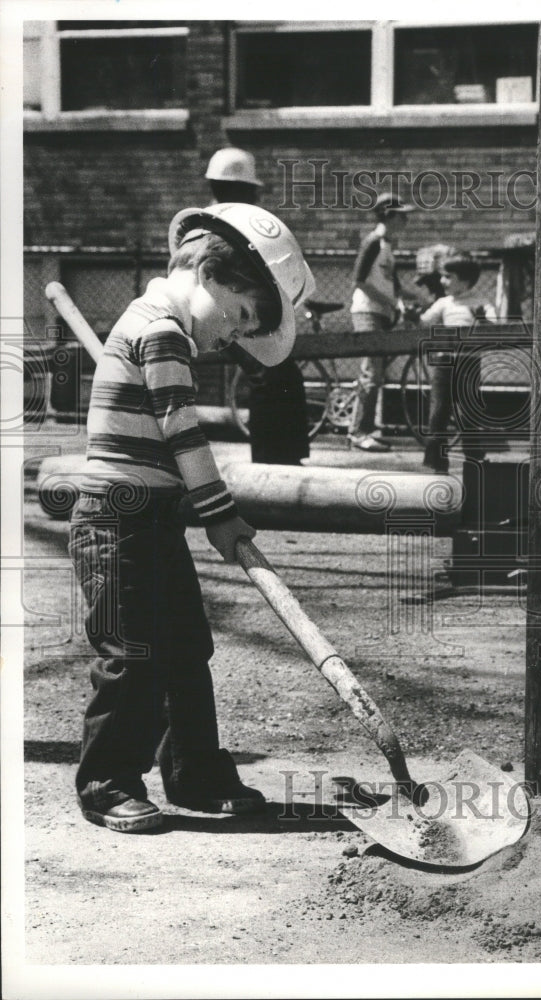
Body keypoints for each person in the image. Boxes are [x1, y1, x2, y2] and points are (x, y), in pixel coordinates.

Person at [68, 203, 315, 832]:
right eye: (235, 319)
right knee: (135, 651)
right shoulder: (161, 332)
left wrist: (189, 505)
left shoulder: (156, 328)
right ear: (206, 273)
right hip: (116, 522)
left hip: (150, 517)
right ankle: (106, 782)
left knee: (185, 648)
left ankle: (196, 773)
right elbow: (183, 434)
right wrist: (220, 515)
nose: (227, 339)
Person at [207, 147, 310, 465]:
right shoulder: (213, 224)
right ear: (238, 190)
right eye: (250, 191)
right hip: (223, 315)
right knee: (266, 375)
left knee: (285, 374)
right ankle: (269, 463)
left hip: (242, 313)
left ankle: (289, 457)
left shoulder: (233, 222)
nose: (254, 199)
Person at [418, 251, 497, 474]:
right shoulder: (443, 303)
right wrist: (414, 315)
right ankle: (437, 462)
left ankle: (473, 457)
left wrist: (482, 320)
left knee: (469, 412)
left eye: (448, 276)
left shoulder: (481, 303)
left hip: (469, 363)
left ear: (465, 280)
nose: (442, 281)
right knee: (438, 411)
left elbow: (493, 327)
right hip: (444, 363)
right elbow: (425, 322)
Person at [348, 193, 414, 452]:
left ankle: (365, 428)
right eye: (402, 214)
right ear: (389, 215)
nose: (406, 219)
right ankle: (358, 433)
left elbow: (393, 285)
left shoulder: (387, 244)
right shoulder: (373, 242)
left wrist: (411, 297)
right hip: (368, 312)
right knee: (371, 374)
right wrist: (388, 301)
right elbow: (359, 282)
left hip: (383, 312)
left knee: (375, 374)